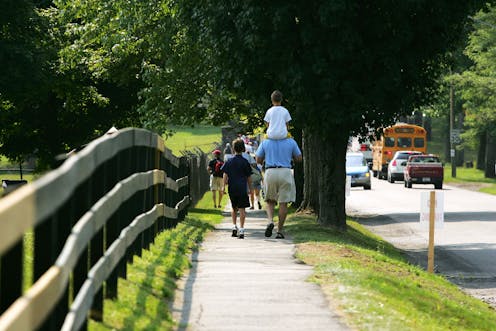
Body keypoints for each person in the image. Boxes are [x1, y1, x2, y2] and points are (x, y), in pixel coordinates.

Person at [255, 138, 302, 239]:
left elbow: (258, 159)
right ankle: (279, 231)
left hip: (270, 171)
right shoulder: (291, 142)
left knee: (270, 201)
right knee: (283, 202)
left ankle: (270, 221)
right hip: (285, 171)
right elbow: (299, 158)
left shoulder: (265, 142)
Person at [221, 139, 252, 239]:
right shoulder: (245, 162)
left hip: (232, 187)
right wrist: (250, 188)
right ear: (243, 148)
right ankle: (242, 229)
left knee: (234, 207)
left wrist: (223, 187)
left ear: (233, 149)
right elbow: (249, 177)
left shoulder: (229, 161)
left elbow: (225, 175)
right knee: (242, 208)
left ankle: (234, 226)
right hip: (242, 188)